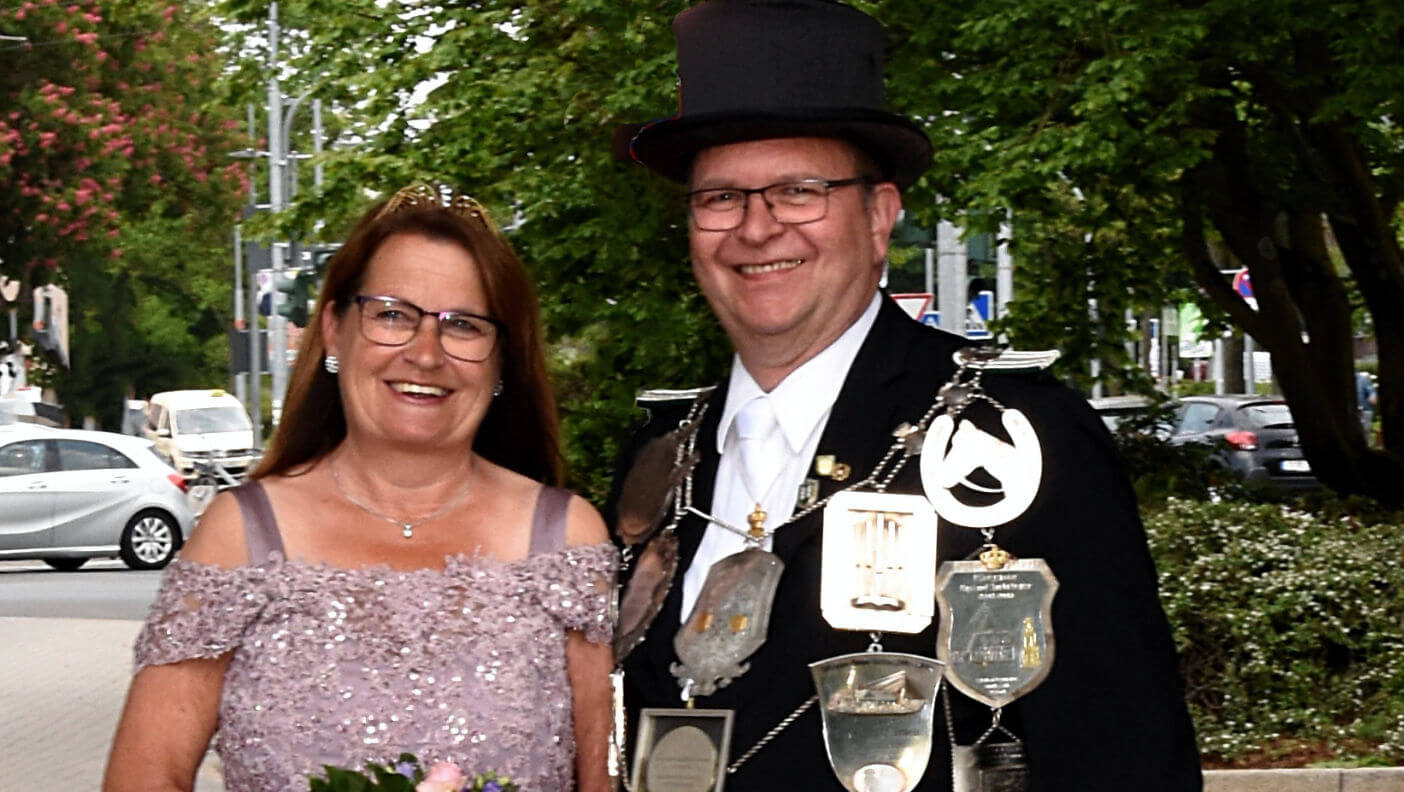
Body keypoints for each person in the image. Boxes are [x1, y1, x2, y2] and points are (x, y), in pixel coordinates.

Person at [606, 1, 1202, 790]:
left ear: (880, 215)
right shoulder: (661, 455)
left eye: (799, 191)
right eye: (720, 197)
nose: (755, 228)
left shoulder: (1008, 437)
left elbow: (1122, 751)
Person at [104, 185, 618, 792]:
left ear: (501, 359)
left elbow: (604, 781)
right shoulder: (240, 536)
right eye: (392, 315)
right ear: (333, 329)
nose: (425, 354)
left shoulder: (565, 542)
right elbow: (145, 777)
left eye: (463, 325)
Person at [1357, 370, 1377, 435]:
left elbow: (1372, 392)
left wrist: (1373, 397)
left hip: (1365, 411)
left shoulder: (1362, 379)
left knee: (1365, 433)